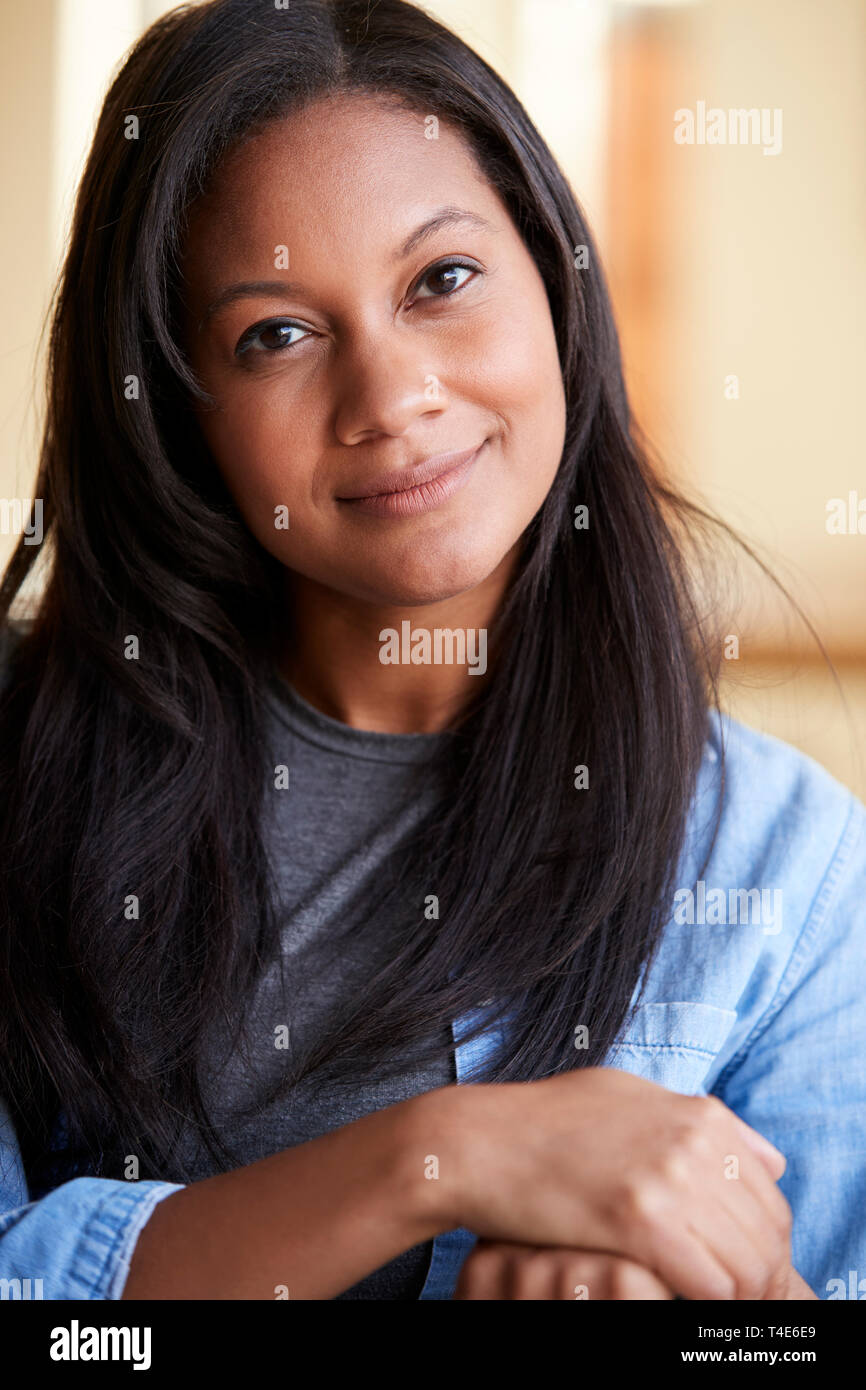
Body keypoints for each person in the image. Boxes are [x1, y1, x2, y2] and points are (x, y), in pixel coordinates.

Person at [0, 0, 862, 1301]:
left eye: (440, 281)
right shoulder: (23, 771)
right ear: (180, 417)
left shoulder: (783, 872)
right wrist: (437, 1157)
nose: (392, 395)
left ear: (555, 284)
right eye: (275, 334)